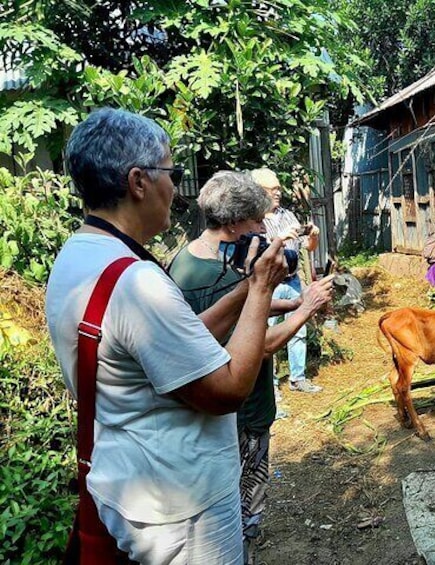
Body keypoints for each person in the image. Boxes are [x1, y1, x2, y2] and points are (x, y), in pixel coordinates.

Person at [46, 108, 289, 563]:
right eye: (170, 172)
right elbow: (228, 389)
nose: (175, 187)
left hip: (130, 485)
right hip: (181, 510)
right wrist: (260, 288)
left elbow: (180, 345)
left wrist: (240, 290)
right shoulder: (137, 283)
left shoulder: (79, 258)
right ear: (138, 182)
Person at [168, 171, 334, 564]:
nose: (263, 229)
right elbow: (257, 346)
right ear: (232, 224)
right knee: (240, 517)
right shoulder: (219, 277)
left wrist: (289, 303)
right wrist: (307, 308)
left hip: (210, 417)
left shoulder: (190, 259)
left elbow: (239, 311)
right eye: (257, 222)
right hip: (238, 420)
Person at [250, 167, 324, 393]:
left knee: (298, 328)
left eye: (278, 188)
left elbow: (308, 248)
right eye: (271, 189)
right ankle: (269, 387)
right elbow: (255, 249)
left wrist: (313, 237)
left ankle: (297, 377)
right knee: (263, 335)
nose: (277, 193)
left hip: (291, 281)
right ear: (257, 191)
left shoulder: (288, 215)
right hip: (268, 284)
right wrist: (277, 239)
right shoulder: (253, 219)